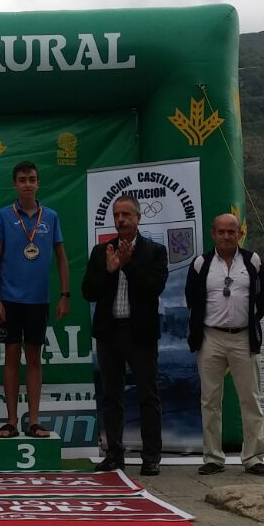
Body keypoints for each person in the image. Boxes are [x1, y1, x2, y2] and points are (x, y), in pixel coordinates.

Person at [81, 194, 168, 476]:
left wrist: (127, 265)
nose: (120, 220)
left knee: (148, 395)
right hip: (109, 333)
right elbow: (88, 292)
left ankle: (151, 457)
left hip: (140, 334)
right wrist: (108, 272)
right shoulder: (101, 251)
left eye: (126, 215)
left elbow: (153, 289)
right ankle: (114, 455)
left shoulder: (155, 251)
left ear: (138, 218)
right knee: (112, 396)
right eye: (117, 215)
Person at [185, 213, 264, 476]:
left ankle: (253, 457)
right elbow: (191, 299)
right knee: (210, 400)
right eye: (221, 231)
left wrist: (249, 322)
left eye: (231, 232)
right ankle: (213, 457)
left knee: (250, 399)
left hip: (244, 338)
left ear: (239, 234)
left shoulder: (253, 262)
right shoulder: (201, 264)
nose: (226, 236)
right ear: (213, 234)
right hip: (211, 337)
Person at [0, 161, 70, 439]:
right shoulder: (3, 216)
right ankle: (11, 421)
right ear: (14, 184)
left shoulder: (52, 217)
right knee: (11, 356)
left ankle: (33, 421)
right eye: (22, 180)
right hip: (9, 299)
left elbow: (62, 258)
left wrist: (65, 295)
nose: (27, 184)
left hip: (38, 300)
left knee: (34, 357)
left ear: (38, 183)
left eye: (32, 179)